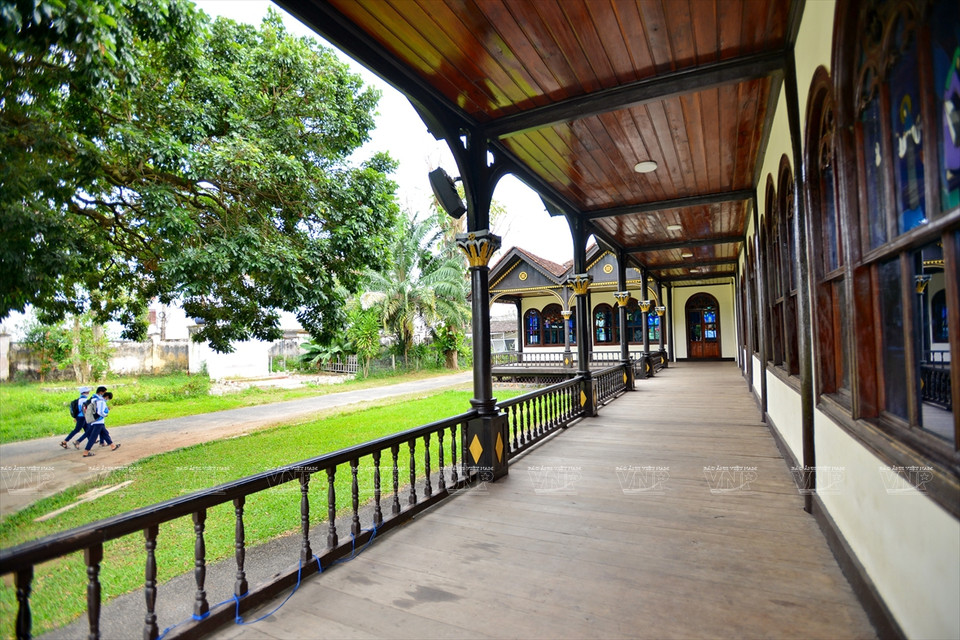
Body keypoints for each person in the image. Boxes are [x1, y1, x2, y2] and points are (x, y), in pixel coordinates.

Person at [81, 386, 119, 457]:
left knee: (105, 433)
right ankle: (86, 452)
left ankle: (113, 446)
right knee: (93, 437)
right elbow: (100, 412)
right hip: (98, 421)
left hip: (97, 421)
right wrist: (105, 414)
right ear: (106, 396)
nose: (108, 400)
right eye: (108, 398)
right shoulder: (101, 401)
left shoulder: (95, 399)